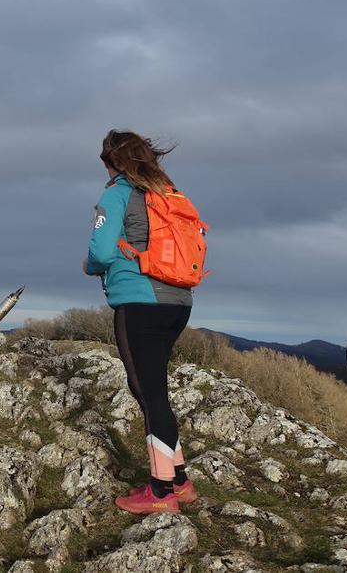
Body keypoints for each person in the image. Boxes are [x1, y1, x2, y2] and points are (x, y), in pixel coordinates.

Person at [84, 129, 197, 514]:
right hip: (179, 302)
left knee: (149, 395)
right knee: (155, 392)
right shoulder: (166, 194)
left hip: (139, 302)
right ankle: (179, 480)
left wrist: (90, 265)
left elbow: (99, 251)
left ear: (111, 161)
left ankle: (161, 491)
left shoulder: (117, 194)